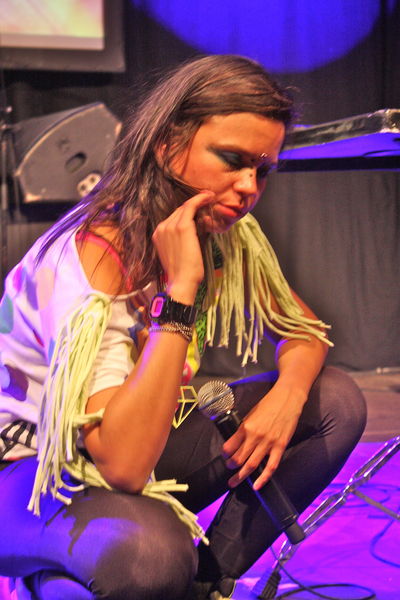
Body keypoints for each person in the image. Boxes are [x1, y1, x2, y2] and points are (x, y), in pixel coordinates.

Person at [0, 54, 366, 600]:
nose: (249, 186)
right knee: (151, 558)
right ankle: (52, 572)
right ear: (168, 144)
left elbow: (304, 330)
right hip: (29, 470)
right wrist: (181, 293)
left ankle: (205, 583)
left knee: (333, 402)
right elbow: (123, 466)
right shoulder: (93, 255)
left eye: (263, 170)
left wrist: (286, 400)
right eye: (232, 160)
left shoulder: (220, 231)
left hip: (126, 445)